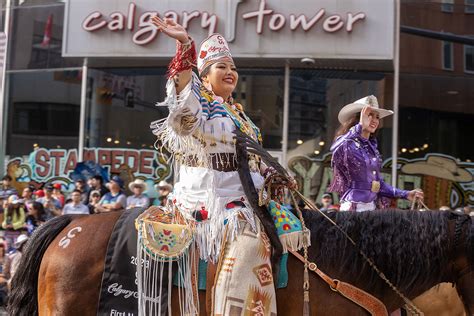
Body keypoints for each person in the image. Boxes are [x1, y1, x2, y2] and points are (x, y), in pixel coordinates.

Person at [149, 16, 278, 314]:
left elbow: (255, 160)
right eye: (222, 67)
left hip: (247, 197)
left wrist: (273, 174)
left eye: (233, 68)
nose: (230, 72)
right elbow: (183, 106)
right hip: (214, 201)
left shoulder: (242, 117)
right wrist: (184, 45)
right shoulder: (202, 104)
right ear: (204, 77)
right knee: (250, 243)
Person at [329, 96, 423, 212]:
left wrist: (406, 194)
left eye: (377, 117)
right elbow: (335, 148)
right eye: (369, 115)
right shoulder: (348, 143)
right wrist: (359, 126)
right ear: (359, 118)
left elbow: (378, 185)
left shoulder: (372, 148)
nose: (374, 120)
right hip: (354, 208)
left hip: (372, 207)